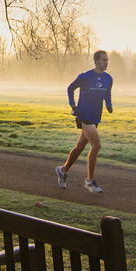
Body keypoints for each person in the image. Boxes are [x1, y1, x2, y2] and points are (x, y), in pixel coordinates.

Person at [55, 50, 113, 194]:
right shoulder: (85, 77)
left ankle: (63, 170)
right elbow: (70, 88)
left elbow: (107, 93)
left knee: (80, 146)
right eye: (104, 60)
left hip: (96, 117)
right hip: (84, 115)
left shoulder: (108, 78)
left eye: (107, 60)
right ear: (96, 61)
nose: (106, 62)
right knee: (97, 145)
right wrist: (73, 106)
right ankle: (90, 180)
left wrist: (109, 104)